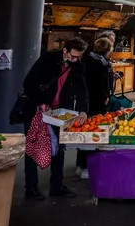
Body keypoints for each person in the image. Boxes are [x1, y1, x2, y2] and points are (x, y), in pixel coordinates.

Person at [22, 37, 89, 200]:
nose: (75, 60)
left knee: (60, 148)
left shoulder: (78, 66)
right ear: (65, 51)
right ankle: (31, 188)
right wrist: (41, 102)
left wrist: (82, 110)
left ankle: (56, 186)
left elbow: (82, 89)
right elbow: (28, 83)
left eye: (79, 57)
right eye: (73, 56)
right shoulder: (48, 59)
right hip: (36, 110)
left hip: (59, 113)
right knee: (33, 147)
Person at [77, 37, 115, 179]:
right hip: (97, 101)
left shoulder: (86, 60)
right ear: (107, 50)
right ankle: (89, 167)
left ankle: (80, 165)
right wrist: (106, 96)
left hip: (84, 100)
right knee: (95, 132)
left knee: (83, 131)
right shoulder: (102, 63)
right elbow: (103, 84)